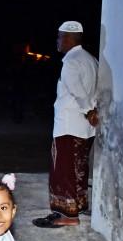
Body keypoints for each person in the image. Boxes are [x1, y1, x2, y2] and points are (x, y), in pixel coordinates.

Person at [33, 21, 98, 228]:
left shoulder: (71, 62)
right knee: (78, 167)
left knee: (63, 169)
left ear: (69, 39)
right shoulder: (91, 59)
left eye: (59, 37)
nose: (57, 41)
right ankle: (78, 206)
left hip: (69, 125)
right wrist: (91, 110)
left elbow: (76, 90)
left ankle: (68, 215)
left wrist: (88, 110)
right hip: (84, 128)